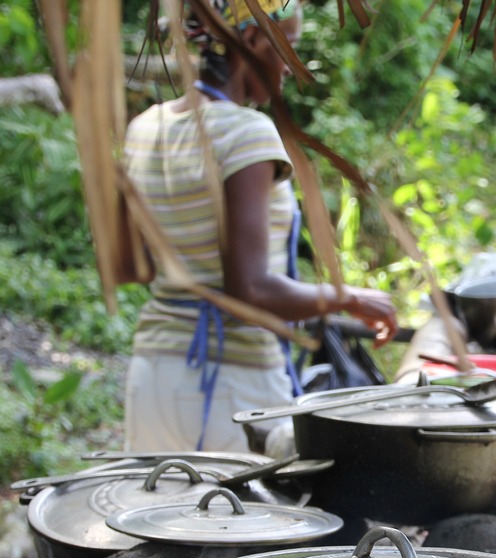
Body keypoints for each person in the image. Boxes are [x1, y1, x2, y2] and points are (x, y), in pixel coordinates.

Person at [122, 0, 398, 453]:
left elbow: (139, 263)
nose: (293, 67)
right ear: (250, 41)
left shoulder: (145, 127)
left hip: (152, 376)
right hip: (231, 387)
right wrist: (349, 297)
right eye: (288, 46)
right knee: (241, 521)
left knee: (162, 522)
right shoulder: (247, 133)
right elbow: (249, 290)